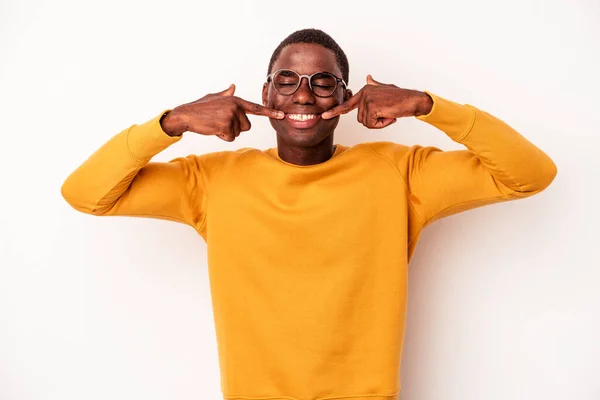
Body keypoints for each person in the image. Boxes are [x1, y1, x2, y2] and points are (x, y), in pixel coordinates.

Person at [61, 28, 557, 400]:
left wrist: (428, 105)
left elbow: (530, 173)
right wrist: (171, 123)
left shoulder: (401, 173)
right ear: (266, 93)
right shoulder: (212, 181)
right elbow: (86, 193)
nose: (303, 95)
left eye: (323, 83)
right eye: (287, 81)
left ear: (344, 99)